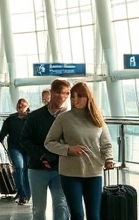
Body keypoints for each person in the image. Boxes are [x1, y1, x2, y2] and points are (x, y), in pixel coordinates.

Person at [45, 83, 114, 220]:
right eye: (73, 96)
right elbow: (49, 142)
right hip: (70, 173)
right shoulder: (63, 118)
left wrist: (109, 159)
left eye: (79, 96)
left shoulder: (97, 119)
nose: (74, 100)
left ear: (88, 97)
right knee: (77, 214)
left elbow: (106, 144)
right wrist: (68, 150)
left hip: (94, 172)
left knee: (94, 216)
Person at [22, 79, 71, 220]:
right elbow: (24, 140)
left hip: (60, 168)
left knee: (61, 204)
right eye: (58, 93)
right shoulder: (35, 117)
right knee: (38, 208)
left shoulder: (69, 117)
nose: (62, 97)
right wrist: (41, 155)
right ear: (51, 93)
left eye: (66, 93)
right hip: (37, 168)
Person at [0, 98, 32, 205]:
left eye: (22, 106)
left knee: (26, 171)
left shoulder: (31, 119)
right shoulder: (11, 119)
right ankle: (22, 194)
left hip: (28, 148)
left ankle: (26, 194)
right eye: (18, 106)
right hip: (14, 147)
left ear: (27, 107)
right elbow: (3, 132)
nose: (20, 107)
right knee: (19, 167)